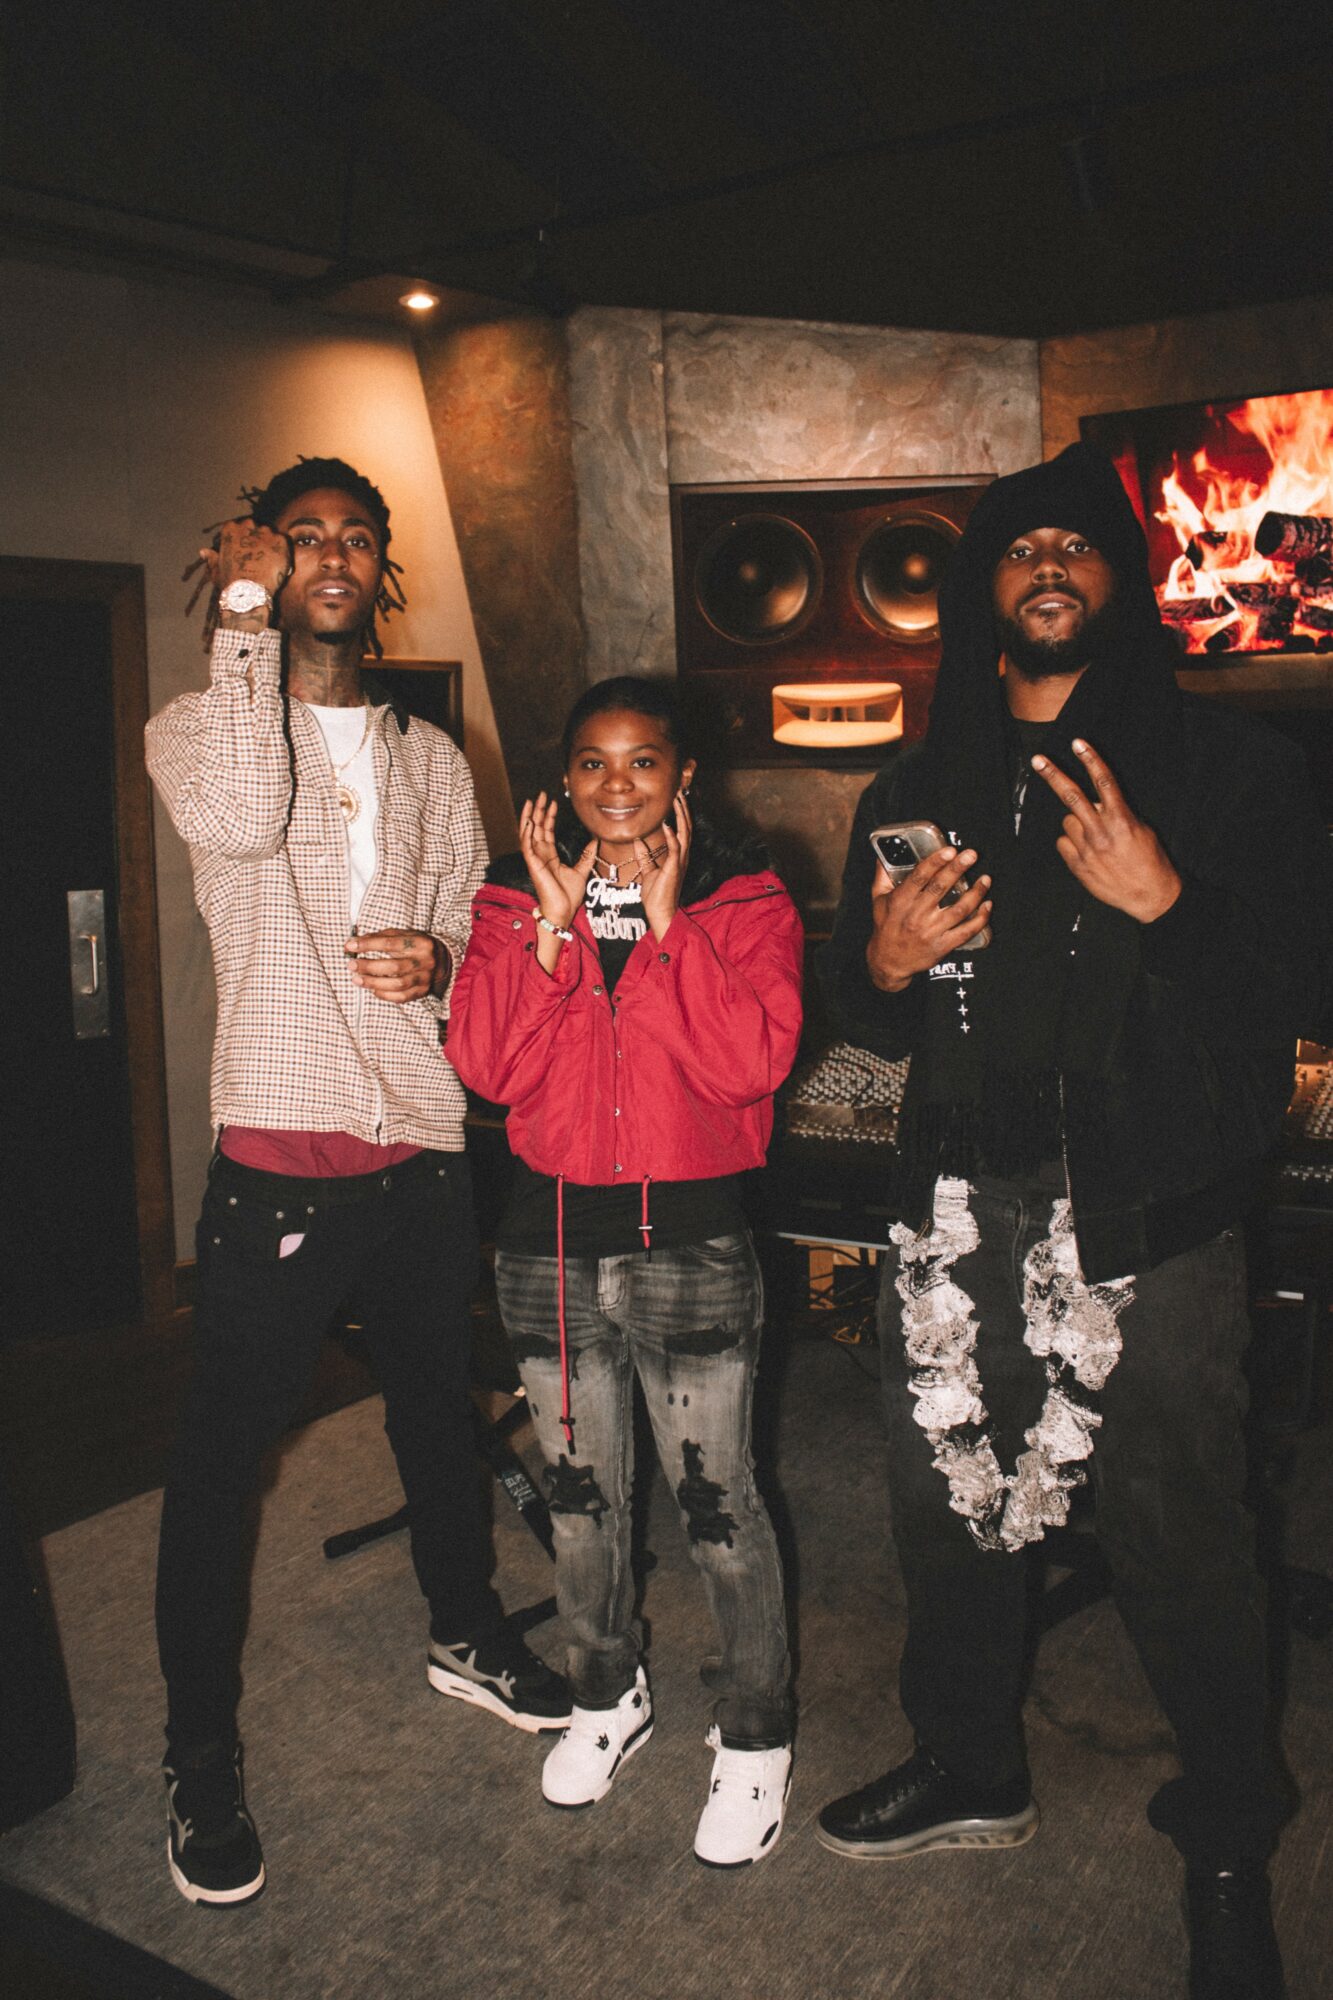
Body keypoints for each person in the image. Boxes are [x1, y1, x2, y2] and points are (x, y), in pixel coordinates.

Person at [816, 443, 1330, 1999]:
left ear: (1123, 579)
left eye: (1077, 544)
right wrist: (882, 969)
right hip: (955, 1208)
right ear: (984, 590)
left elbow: (1304, 984)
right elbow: (858, 1018)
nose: (1047, 564)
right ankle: (971, 1763)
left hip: (1148, 1208)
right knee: (944, 1506)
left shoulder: (1229, 770)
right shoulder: (910, 788)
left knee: (1181, 1533)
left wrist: (1170, 902)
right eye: (1019, 546)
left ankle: (1227, 1835)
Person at [145, 457, 568, 1907]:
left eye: (356, 538)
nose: (332, 554)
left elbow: (471, 924)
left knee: (435, 1414)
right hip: (281, 1156)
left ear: (384, 569)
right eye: (302, 536)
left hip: (422, 1148)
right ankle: (199, 1750)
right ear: (263, 559)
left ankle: (463, 1626)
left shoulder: (435, 757)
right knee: (222, 1461)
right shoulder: (200, 725)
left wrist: (443, 960)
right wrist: (242, 614)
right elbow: (243, 819)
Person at [446, 676, 803, 1867]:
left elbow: (748, 1061)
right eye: (592, 762)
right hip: (546, 1243)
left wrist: (664, 924)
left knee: (718, 1502)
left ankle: (755, 1730)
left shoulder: (744, 896)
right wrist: (548, 929)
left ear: (682, 774)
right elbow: (488, 1068)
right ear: (563, 776)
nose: (616, 784)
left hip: (690, 1240)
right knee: (578, 1496)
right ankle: (606, 1691)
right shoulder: (511, 893)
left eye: (642, 760)